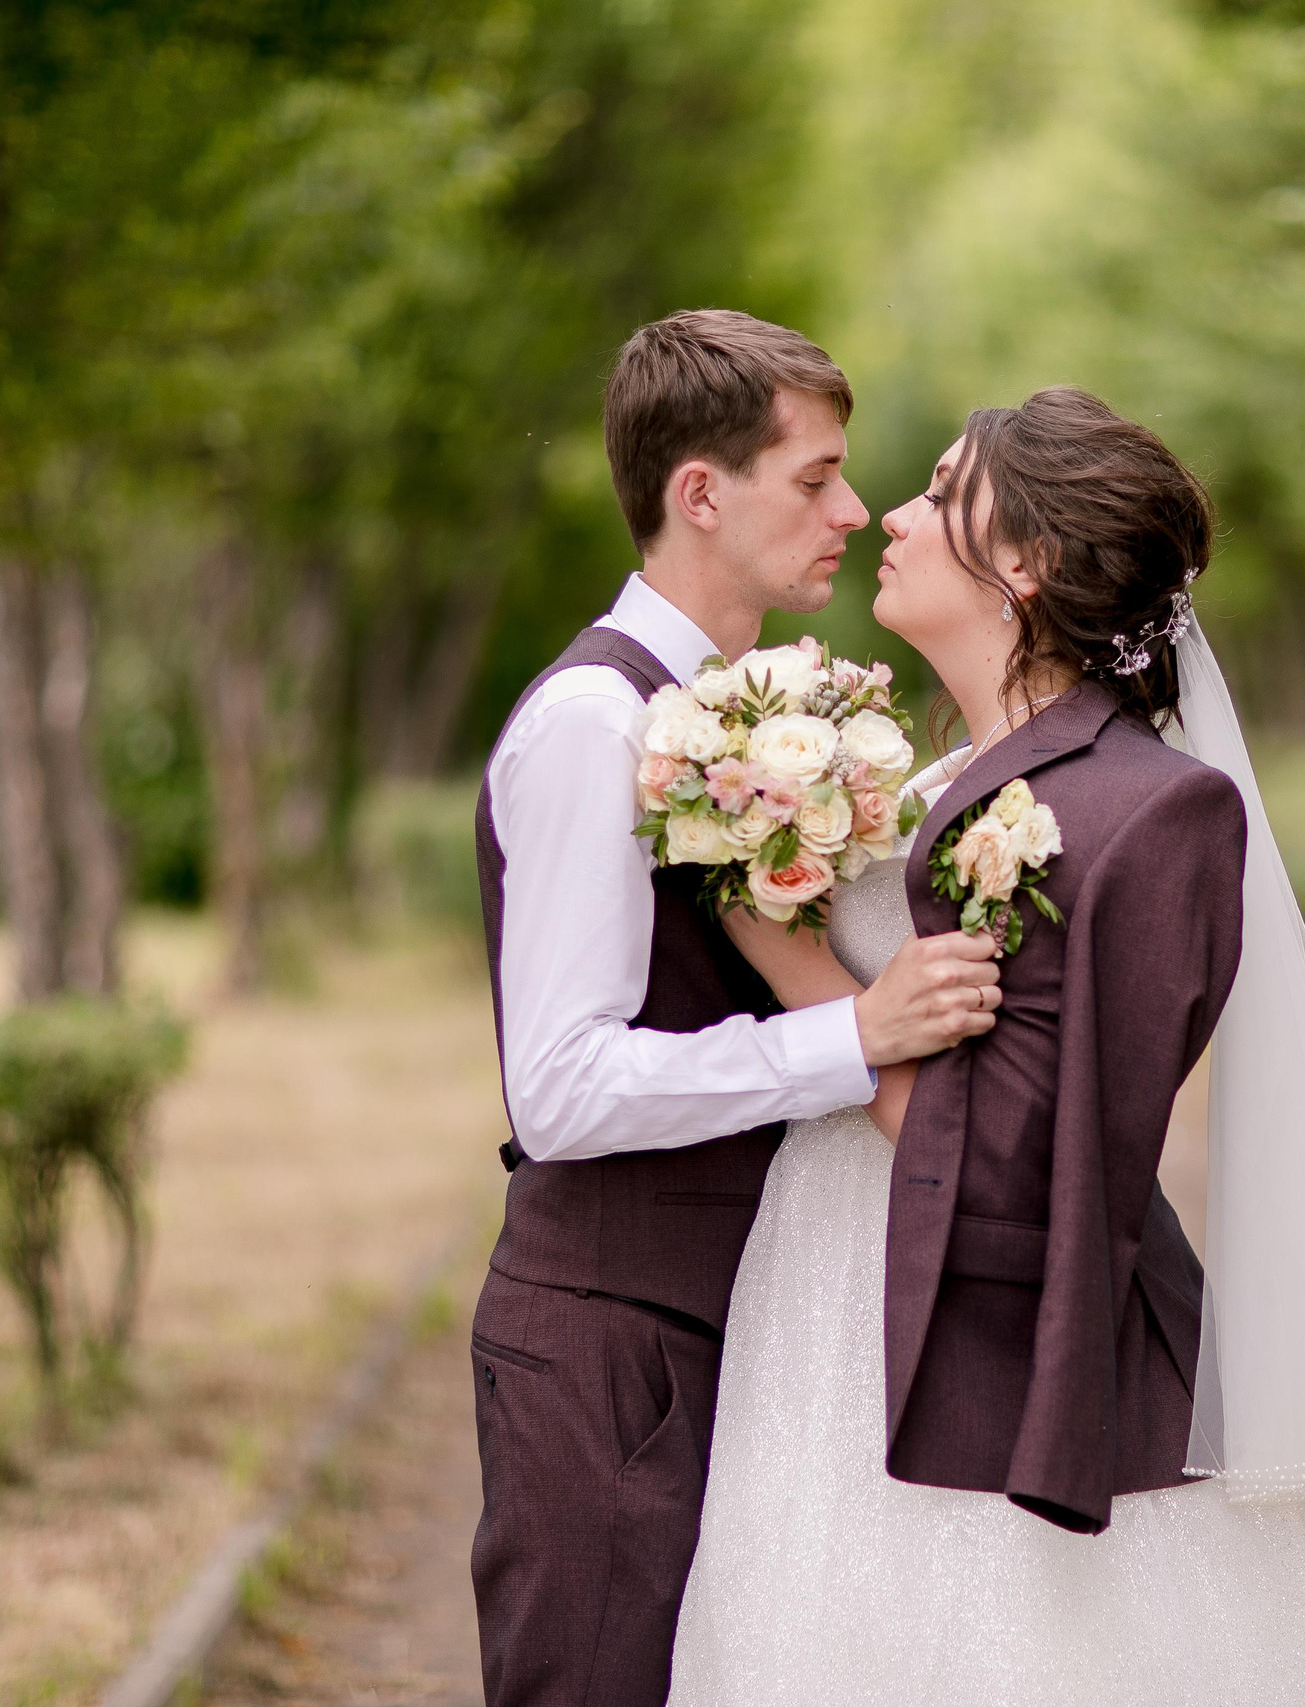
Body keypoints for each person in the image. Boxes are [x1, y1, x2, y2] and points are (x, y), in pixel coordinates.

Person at [666, 387, 1305, 1703]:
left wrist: (788, 960)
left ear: (1024, 564)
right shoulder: (916, 787)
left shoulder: (1152, 813)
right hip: (824, 1303)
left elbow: (1025, 1159)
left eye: (937, 493)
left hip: (999, 1333)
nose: (891, 519)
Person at [467, 309, 1008, 1707]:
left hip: (751, 1330)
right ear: (699, 493)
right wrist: (854, 1036)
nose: (851, 509)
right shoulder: (595, 724)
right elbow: (564, 1092)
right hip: (617, 1340)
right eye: (814, 477)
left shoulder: (747, 716)